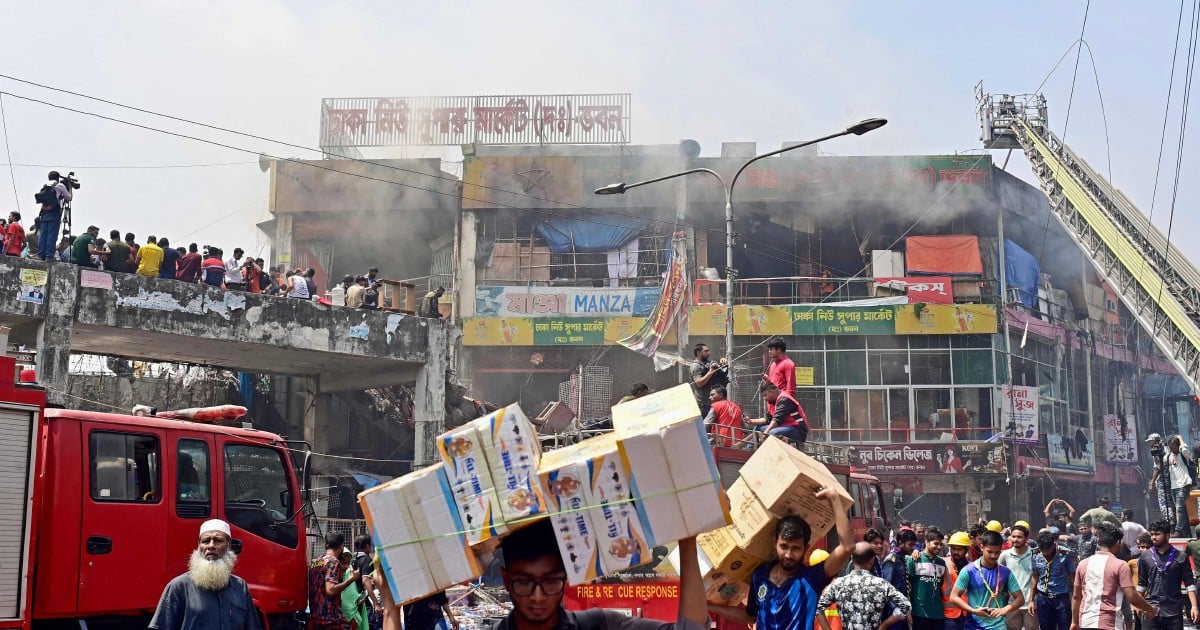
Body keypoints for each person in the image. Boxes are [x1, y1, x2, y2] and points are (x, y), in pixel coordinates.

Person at [478, 517, 708, 630]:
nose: (538, 597)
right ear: (507, 580)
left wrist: (688, 541)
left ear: (565, 577)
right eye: (524, 583)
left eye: (550, 581)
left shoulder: (600, 625)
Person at [711, 487, 854, 630]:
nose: (788, 555)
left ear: (806, 547)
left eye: (796, 548)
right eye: (784, 546)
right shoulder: (760, 574)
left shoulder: (812, 577)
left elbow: (847, 547)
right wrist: (710, 607)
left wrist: (834, 499)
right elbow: (750, 616)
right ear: (775, 543)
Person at [149, 519, 260, 630]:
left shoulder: (240, 587)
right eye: (206, 541)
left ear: (228, 545)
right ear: (199, 546)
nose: (211, 546)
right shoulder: (178, 587)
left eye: (218, 541)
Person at [1073, 522, 1157, 629]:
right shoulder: (1120, 565)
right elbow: (1132, 597)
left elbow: (1076, 596)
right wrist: (1150, 608)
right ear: (1118, 542)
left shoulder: (1083, 564)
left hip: (1086, 622)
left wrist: (1074, 622)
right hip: (1110, 623)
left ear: (1098, 542)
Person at [817, 542, 912, 630]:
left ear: (852, 558)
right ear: (872, 560)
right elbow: (906, 606)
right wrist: (885, 624)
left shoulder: (838, 584)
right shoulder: (881, 584)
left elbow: (818, 608)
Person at [949, 530, 1025, 630]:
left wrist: (1004, 610)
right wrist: (974, 611)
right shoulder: (969, 570)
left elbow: (1020, 599)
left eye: (997, 552)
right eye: (990, 552)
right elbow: (953, 597)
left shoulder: (1006, 572)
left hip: (999, 626)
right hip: (974, 625)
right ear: (982, 547)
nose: (993, 556)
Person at [1137, 520, 1197, 629]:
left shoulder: (1181, 557)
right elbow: (1142, 584)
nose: (1154, 537)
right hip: (1151, 610)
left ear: (1167, 535)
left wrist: (1194, 607)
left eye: (1157, 534)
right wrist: (1136, 604)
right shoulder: (1145, 557)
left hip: (1173, 612)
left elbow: (1190, 584)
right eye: (1152, 534)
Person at [309, 532, 361, 630]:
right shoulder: (334, 562)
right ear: (341, 546)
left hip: (316, 617)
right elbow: (331, 590)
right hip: (330, 619)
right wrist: (352, 579)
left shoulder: (316, 561)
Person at [1031, 530, 1077, 630]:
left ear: (1053, 544)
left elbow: (1073, 577)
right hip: (1043, 598)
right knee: (1045, 627)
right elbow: (1035, 576)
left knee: (1064, 626)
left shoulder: (1066, 554)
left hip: (1061, 598)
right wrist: (1031, 600)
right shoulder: (1035, 553)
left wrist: (1076, 598)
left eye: (1048, 549)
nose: (1046, 553)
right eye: (1043, 550)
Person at [907, 529, 948, 630]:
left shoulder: (941, 563)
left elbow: (941, 585)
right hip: (919, 613)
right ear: (926, 542)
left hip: (938, 614)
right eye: (936, 543)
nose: (939, 547)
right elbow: (907, 586)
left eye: (941, 544)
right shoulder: (914, 559)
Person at [998, 523, 1035, 630]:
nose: (1015, 539)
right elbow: (999, 574)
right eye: (1013, 536)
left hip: (1030, 604)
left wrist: (1033, 600)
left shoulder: (1034, 554)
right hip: (1011, 604)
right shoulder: (1005, 555)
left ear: (1026, 538)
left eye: (1019, 537)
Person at [880, 528, 917, 630]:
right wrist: (898, 609)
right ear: (901, 543)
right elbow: (886, 587)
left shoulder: (903, 558)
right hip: (894, 611)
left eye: (914, 545)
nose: (913, 548)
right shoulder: (891, 560)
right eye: (910, 545)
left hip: (903, 610)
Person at [37, 171, 71, 262]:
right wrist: (70, 187)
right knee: (52, 235)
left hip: (44, 213)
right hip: (54, 213)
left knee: (43, 235)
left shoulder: (45, 186)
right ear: (57, 178)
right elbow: (69, 198)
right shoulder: (60, 186)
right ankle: (49, 256)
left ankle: (40, 255)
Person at [1164, 436, 1194, 537]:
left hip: (1184, 484)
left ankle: (1178, 530)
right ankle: (1187, 532)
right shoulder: (1168, 456)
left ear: (1178, 446)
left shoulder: (1183, 454)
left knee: (1179, 508)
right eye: (1170, 447)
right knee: (1182, 509)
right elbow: (1160, 462)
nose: (1172, 449)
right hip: (1173, 486)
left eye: (1174, 447)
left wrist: (1181, 439)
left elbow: (1185, 450)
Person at [352, 535, 383, 630]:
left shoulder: (352, 559)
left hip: (353, 600)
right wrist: (376, 603)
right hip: (363, 600)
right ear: (367, 546)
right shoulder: (366, 560)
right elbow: (365, 581)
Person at [690, 343, 728, 418]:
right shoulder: (695, 366)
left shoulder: (709, 363)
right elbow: (699, 383)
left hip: (715, 403)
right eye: (706, 351)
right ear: (698, 352)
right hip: (704, 404)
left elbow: (721, 372)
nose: (709, 353)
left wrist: (723, 362)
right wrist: (711, 371)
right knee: (707, 427)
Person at [945, 532, 973, 630]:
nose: (955, 552)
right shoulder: (943, 563)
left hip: (967, 613)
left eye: (959, 549)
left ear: (966, 550)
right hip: (948, 615)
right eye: (953, 549)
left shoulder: (972, 567)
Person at [1146, 434, 1175, 523]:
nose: (1149, 443)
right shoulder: (1167, 447)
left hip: (1163, 478)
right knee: (1172, 501)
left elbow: (1157, 468)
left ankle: (1170, 522)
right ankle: (1174, 521)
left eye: (1150, 441)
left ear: (1155, 440)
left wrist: (1152, 482)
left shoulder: (1157, 450)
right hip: (1173, 478)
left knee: (1163, 502)